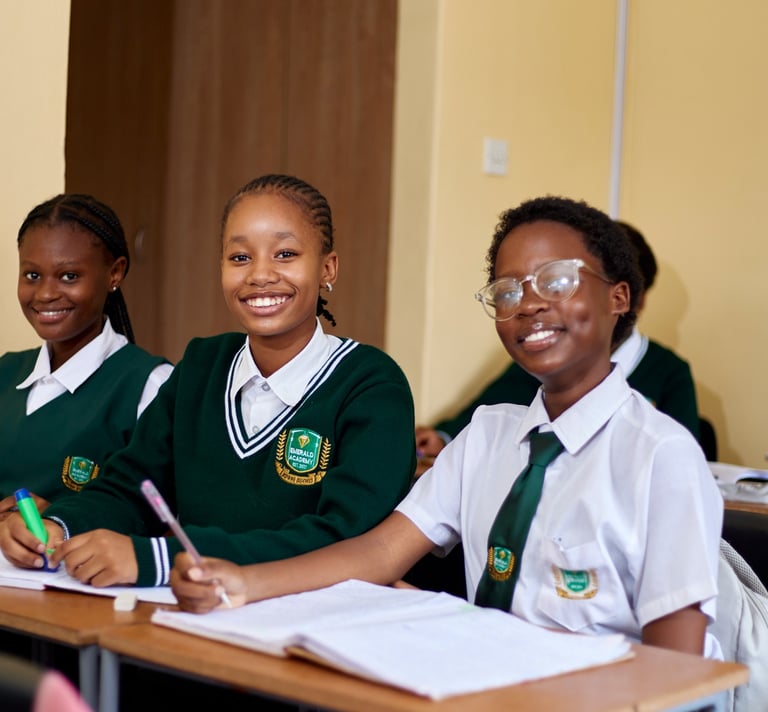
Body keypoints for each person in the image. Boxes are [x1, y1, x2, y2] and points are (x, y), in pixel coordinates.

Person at [169, 196, 723, 657]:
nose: (528, 304)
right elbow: (379, 553)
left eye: (555, 282)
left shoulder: (660, 455)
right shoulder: (487, 435)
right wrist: (243, 581)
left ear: (618, 298)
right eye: (507, 292)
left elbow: (672, 665)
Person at [0, 174, 415, 588]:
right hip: (197, 610)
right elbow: (131, 488)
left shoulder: (372, 386)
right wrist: (60, 525)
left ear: (328, 268)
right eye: (239, 258)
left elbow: (346, 539)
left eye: (285, 254)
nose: (260, 275)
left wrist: (162, 558)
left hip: (312, 623)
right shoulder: (203, 365)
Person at [414, 220, 700, 475]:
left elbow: (681, 468)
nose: (532, 305)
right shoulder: (544, 354)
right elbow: (489, 408)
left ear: (627, 299)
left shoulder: (669, 376)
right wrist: (444, 437)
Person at [0, 194, 172, 515]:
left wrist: (63, 521)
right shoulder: (6, 372)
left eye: (69, 276)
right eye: (32, 275)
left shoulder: (149, 385)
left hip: (72, 566)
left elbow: (161, 517)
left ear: (114, 274)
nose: (46, 294)